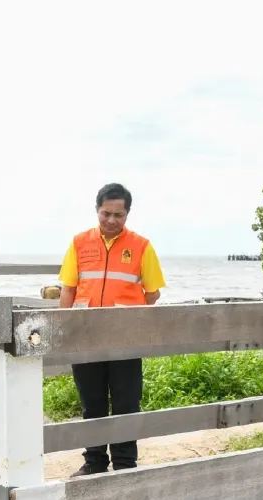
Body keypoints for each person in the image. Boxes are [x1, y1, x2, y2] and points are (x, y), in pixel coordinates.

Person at [59, 183, 165, 476]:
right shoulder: (79, 243)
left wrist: (129, 317)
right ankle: (94, 462)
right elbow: (68, 290)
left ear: (128, 214)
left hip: (125, 341)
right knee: (91, 404)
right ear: (97, 210)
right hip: (86, 338)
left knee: (126, 404)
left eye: (119, 215)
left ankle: (124, 464)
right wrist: (64, 329)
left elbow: (153, 294)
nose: (111, 220)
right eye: (106, 213)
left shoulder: (142, 246)